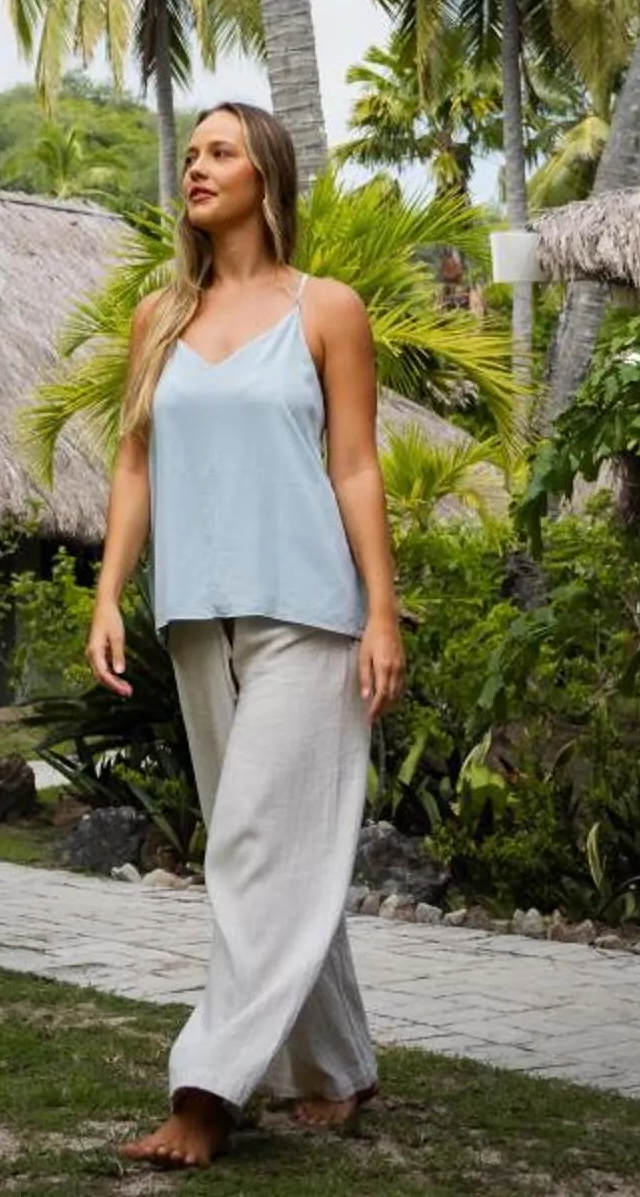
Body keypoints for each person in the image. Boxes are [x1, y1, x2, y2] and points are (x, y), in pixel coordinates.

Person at [87, 102, 406, 1170]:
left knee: (253, 848)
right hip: (194, 614)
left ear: (267, 174)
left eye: (220, 151)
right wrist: (108, 594)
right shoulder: (159, 317)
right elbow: (133, 466)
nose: (198, 166)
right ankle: (339, 1066)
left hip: (308, 612)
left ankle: (206, 1089)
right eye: (191, 153)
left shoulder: (328, 308)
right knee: (275, 847)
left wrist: (381, 607)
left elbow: (355, 465)